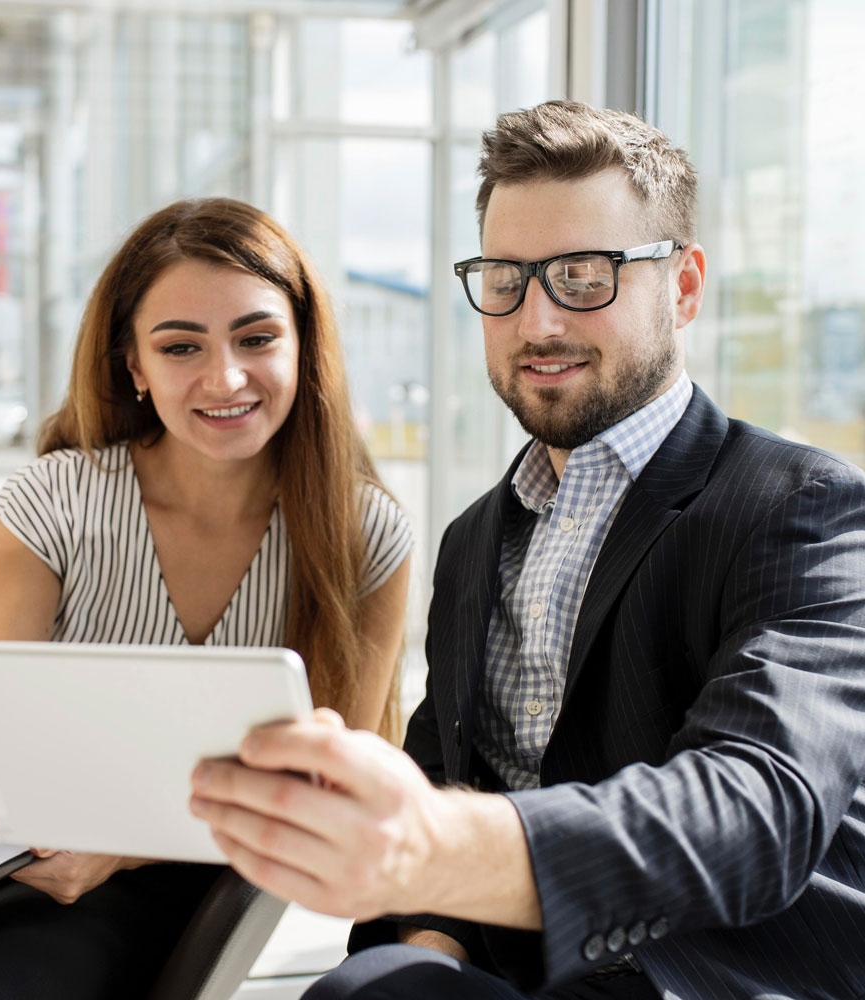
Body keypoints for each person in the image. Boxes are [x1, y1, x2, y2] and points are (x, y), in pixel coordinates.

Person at [189, 102, 865, 1000]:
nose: (537, 321)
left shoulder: (807, 508)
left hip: (701, 974)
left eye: (584, 276)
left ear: (685, 287)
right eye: (505, 278)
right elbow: (443, 769)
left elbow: (754, 809)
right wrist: (426, 945)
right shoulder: (475, 538)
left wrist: (430, 846)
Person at [0, 197, 412, 1000]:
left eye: (256, 338)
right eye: (180, 346)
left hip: (165, 861)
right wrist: (58, 822)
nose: (224, 378)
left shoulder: (365, 539)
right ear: (134, 367)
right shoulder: (51, 502)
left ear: (303, 346)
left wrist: (118, 848)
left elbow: (332, 801)